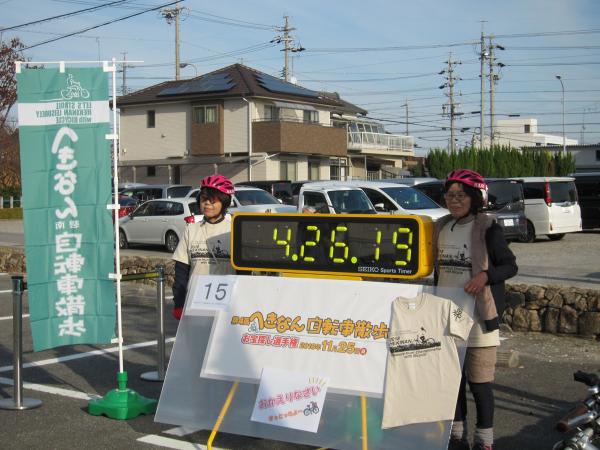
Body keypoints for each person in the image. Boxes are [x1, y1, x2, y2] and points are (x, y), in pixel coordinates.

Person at [432, 169, 518, 450]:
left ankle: (485, 441)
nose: (454, 200)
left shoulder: (487, 226)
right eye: (450, 195)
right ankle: (457, 437)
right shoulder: (441, 226)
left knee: (480, 385)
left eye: (461, 195)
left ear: (474, 198)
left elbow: (510, 265)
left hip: (479, 318)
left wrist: (484, 276)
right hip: (447, 317)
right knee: (453, 383)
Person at [171, 174, 236, 320]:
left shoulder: (233, 230)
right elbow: (181, 271)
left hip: (227, 305)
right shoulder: (191, 230)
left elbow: (244, 273)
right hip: (195, 303)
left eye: (213, 201)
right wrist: (179, 303)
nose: (207, 204)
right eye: (204, 199)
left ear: (225, 203)